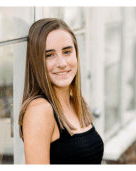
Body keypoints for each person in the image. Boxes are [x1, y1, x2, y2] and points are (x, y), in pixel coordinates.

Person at [18, 18, 103, 164]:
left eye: (67, 52)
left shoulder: (80, 103)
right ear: (37, 62)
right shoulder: (39, 111)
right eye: (49, 55)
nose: (62, 64)